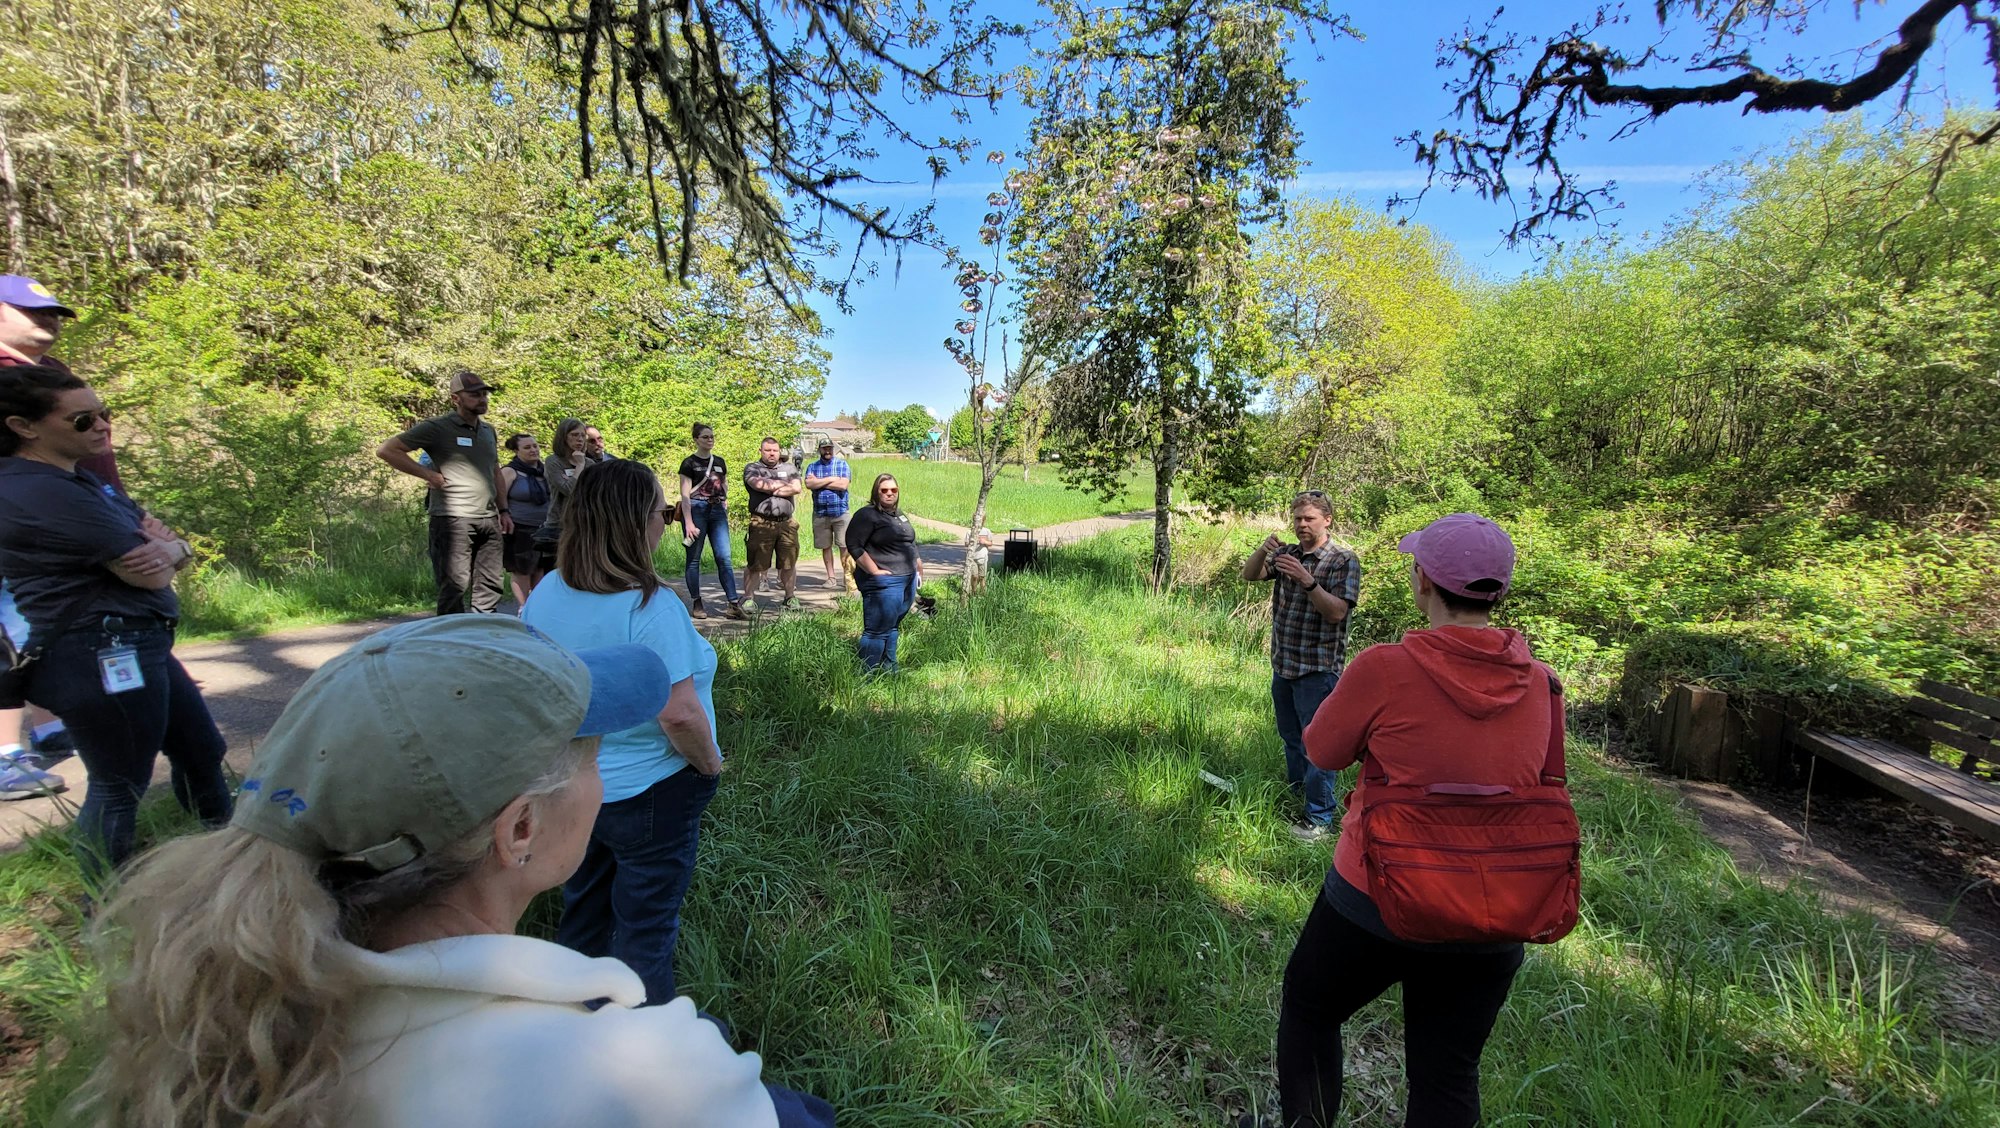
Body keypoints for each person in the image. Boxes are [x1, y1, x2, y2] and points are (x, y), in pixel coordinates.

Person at [70, 615, 836, 1128]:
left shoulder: (235, 1030)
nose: (599, 782)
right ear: (522, 829)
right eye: (591, 758)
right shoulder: (642, 1072)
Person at [1276, 513, 1558, 1128]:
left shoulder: (1384, 667)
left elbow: (1321, 751)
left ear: (1424, 581)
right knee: (1448, 1069)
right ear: (1498, 592)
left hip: (1377, 891)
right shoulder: (1542, 684)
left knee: (1311, 1006)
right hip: (1494, 905)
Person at [0, 364, 230, 878]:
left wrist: (172, 547)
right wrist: (167, 549)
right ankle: (105, 907)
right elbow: (148, 575)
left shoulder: (82, 481)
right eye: (83, 420)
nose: (103, 426)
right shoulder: (36, 492)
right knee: (119, 784)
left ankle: (223, 868)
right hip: (95, 652)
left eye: (106, 413)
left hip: (137, 643)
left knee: (202, 751)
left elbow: (160, 548)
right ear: (24, 427)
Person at [522, 459, 725, 1007]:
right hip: (652, 790)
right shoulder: (649, 605)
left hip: (573, 784)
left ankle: (571, 1020)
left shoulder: (545, 594)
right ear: (637, 523)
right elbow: (677, 713)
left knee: (583, 908)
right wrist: (709, 765)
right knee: (646, 932)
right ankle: (645, 1055)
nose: (665, 519)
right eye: (660, 509)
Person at [1240, 490, 1361, 841]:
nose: (1301, 525)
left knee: (1318, 744)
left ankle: (1319, 819)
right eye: (1297, 519)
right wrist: (1264, 550)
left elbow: (1337, 612)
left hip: (1318, 668)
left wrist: (1307, 581)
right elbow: (1249, 575)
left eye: (1309, 518)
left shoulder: (1342, 560)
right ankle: (1297, 796)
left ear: (1327, 520)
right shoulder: (1288, 553)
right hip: (1284, 663)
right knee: (1291, 737)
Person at [375, 369, 512, 615]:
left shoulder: (488, 430)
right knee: (455, 584)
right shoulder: (437, 427)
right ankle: (451, 640)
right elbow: (387, 450)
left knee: (490, 583)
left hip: (489, 517)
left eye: (484, 394)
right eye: (474, 395)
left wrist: (503, 510)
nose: (482, 399)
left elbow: (495, 470)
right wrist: (428, 475)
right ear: (455, 398)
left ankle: (482, 635)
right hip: (453, 518)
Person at [845, 473, 923, 672]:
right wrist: (874, 571)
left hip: (907, 578)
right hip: (884, 582)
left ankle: (889, 667)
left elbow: (909, 541)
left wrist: (918, 562)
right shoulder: (867, 514)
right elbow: (854, 545)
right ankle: (868, 673)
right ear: (876, 492)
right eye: (884, 490)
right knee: (876, 631)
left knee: (892, 626)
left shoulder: (899, 515)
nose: (889, 494)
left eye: (893, 490)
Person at [677, 423, 745, 620]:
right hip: (696, 509)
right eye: (705, 437)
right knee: (694, 559)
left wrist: (724, 505)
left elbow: (724, 485)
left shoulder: (720, 462)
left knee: (724, 557)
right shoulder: (689, 463)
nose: (710, 440)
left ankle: (733, 603)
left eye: (712, 436)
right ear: (696, 439)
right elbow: (685, 495)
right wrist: (688, 522)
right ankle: (697, 602)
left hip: (717, 511)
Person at [742, 437, 803, 611]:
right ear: (760, 451)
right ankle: (748, 599)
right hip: (761, 522)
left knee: (788, 563)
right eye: (768, 450)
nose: (771, 453)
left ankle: (790, 598)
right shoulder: (753, 468)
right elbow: (758, 484)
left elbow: (797, 488)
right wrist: (784, 486)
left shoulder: (789, 468)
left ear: (779, 451)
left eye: (775, 450)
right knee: (756, 563)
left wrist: (771, 487)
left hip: (786, 523)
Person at [498, 433, 553, 606]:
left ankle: (536, 606)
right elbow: (498, 497)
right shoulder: (510, 471)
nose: (533, 450)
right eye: (527, 447)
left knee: (540, 568)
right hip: (519, 528)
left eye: (535, 446)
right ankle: (523, 606)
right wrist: (503, 514)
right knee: (522, 569)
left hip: (544, 528)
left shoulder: (545, 471)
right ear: (516, 450)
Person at [802, 439, 854, 592]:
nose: (827, 451)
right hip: (820, 513)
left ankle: (847, 577)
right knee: (825, 546)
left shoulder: (842, 465)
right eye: (824, 448)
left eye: (830, 448)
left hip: (840, 512)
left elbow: (843, 485)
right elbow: (809, 485)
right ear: (819, 450)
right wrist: (831, 479)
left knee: (844, 546)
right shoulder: (812, 466)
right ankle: (831, 578)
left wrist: (819, 482)